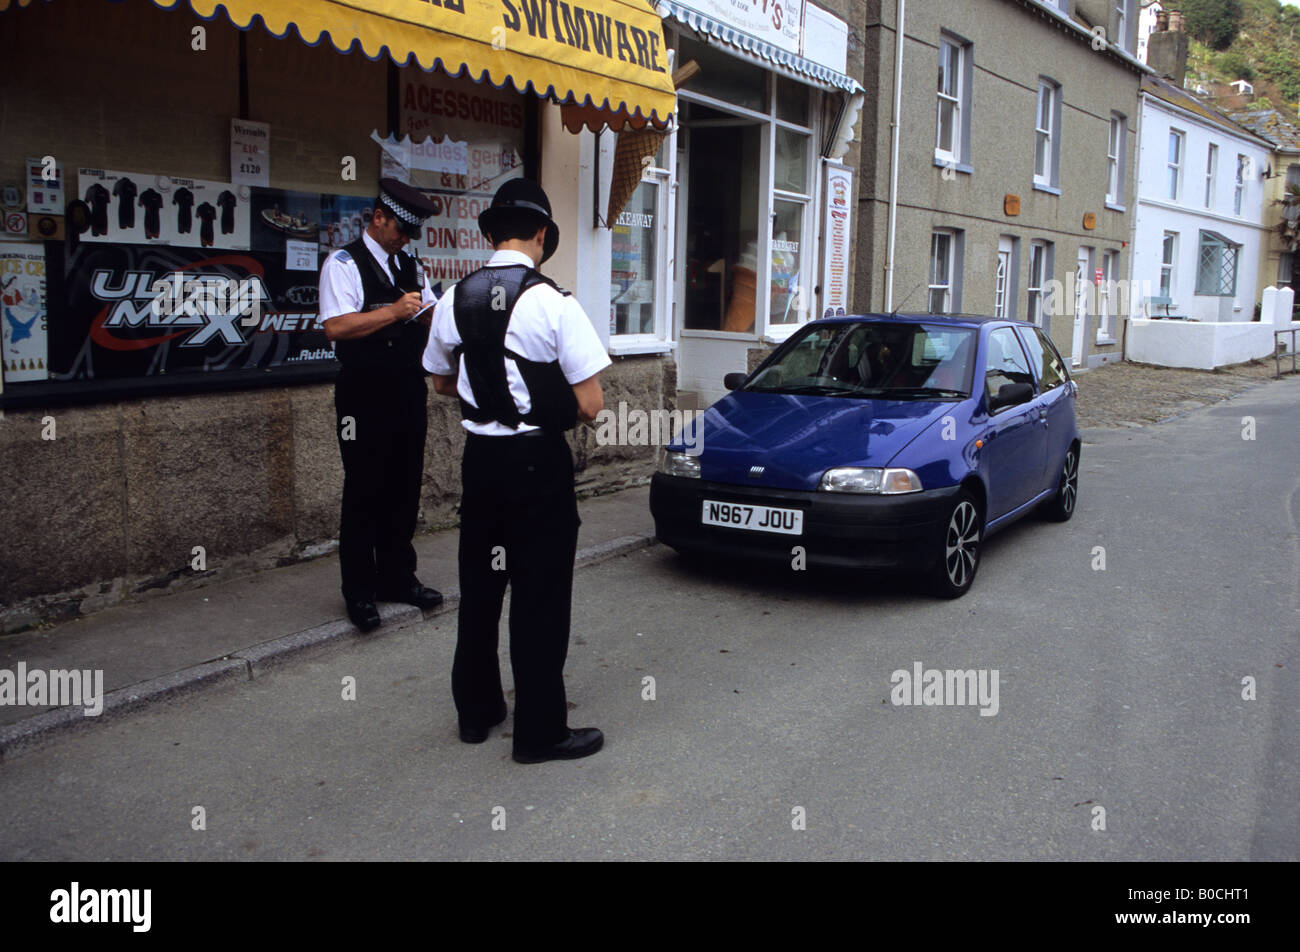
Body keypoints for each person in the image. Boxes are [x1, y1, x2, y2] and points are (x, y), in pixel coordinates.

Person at [422, 178, 609, 764]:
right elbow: (591, 404)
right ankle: (539, 733)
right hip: (536, 466)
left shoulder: (455, 298)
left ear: (489, 234)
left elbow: (440, 380)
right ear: (543, 234)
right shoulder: (555, 303)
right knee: (541, 596)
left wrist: (484, 392)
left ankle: (475, 714)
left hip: (481, 465)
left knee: (480, 589)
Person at [318, 178, 444, 632]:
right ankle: (359, 591)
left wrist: (444, 314)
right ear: (378, 218)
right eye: (400, 229)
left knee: (404, 487)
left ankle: (398, 577)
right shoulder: (344, 263)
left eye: (412, 232)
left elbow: (430, 313)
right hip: (363, 394)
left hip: (407, 388)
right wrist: (393, 312)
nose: (406, 238)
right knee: (364, 489)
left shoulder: (412, 265)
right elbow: (336, 326)